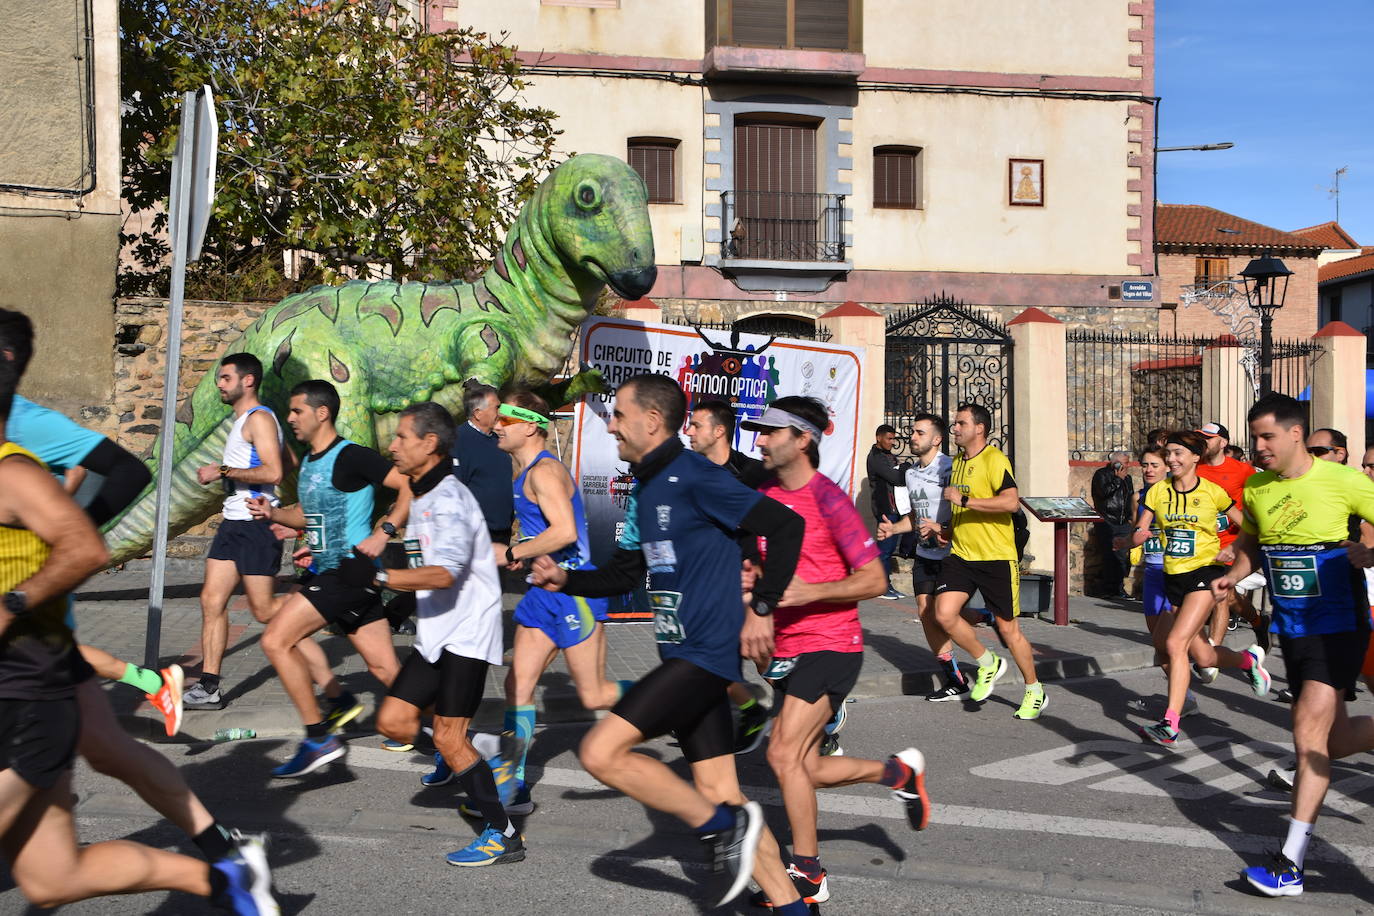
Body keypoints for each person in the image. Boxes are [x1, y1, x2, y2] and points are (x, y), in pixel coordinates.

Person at [0, 355, 277, 914]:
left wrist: (21, 594)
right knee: (54, 878)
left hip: (30, 674)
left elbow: (102, 514)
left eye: (228, 377)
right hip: (35, 671)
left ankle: (221, 846)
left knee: (115, 749)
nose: (222, 384)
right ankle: (226, 876)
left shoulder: (16, 456)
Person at [528, 373, 814, 912]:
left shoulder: (697, 476)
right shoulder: (647, 488)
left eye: (617, 414)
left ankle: (724, 827)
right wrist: (567, 581)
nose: (610, 424)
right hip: (679, 652)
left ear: (651, 421)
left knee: (600, 751)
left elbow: (785, 526)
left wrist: (763, 608)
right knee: (721, 791)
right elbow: (624, 574)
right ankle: (793, 904)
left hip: (704, 657)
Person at [742, 396, 930, 908]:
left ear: (802, 439)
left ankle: (808, 873)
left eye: (770, 432)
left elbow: (874, 579)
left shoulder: (829, 500)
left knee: (780, 754)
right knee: (800, 767)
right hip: (784, 647)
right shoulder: (761, 493)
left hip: (832, 644)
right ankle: (897, 774)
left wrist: (809, 593)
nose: (759, 439)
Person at [1208, 395, 1374, 896]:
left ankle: (1289, 865)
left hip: (1338, 625)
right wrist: (1233, 575)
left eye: (1267, 437)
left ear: (1296, 434)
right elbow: (1253, 544)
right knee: (1337, 742)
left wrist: (1369, 550)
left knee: (1307, 740)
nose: (1258, 448)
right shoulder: (1258, 488)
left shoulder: (1344, 480)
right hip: (1293, 629)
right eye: (1254, 438)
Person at [424, 391, 622, 806]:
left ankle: (674, 696)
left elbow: (566, 531)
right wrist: (528, 550)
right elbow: (545, 533)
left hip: (573, 595)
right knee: (518, 685)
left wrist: (512, 551)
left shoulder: (544, 472)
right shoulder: (523, 470)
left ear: (529, 426)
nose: (496, 425)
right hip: (541, 592)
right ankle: (512, 786)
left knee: (595, 695)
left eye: (505, 421)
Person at [371, 402, 522, 866]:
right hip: (437, 631)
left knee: (449, 738)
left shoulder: (452, 499)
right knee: (394, 722)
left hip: (468, 633)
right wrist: (397, 599)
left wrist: (381, 580)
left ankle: (503, 834)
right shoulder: (420, 492)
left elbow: (444, 574)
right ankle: (483, 754)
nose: (392, 445)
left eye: (401, 437)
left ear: (429, 443)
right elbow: (423, 563)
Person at [250, 380, 408, 778]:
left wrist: (383, 532)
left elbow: (408, 485)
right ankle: (448, 733)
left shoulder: (351, 455)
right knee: (386, 669)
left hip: (346, 572)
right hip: (339, 572)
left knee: (276, 638)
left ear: (322, 413)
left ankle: (318, 736)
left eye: (296, 411)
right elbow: (308, 514)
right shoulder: (310, 462)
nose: (289, 418)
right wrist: (273, 515)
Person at [1123, 431, 1269, 746]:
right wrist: (1132, 539)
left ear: (1194, 458)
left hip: (1205, 573)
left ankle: (1170, 724)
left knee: (1176, 644)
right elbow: (1141, 528)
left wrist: (1233, 550)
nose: (1172, 460)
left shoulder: (1213, 492)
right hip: (1172, 576)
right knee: (1198, 655)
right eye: (1169, 454)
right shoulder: (1157, 493)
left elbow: (1248, 526)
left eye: (1178, 454)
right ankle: (1248, 661)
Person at [184, 354, 298, 712]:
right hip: (233, 522)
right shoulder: (247, 422)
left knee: (263, 611)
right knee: (210, 600)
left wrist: (222, 470)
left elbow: (275, 472)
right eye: (220, 378)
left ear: (248, 381)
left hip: (254, 525)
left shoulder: (259, 418)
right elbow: (289, 461)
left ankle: (323, 605)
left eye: (226, 378)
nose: (220, 384)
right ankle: (209, 686)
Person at [931, 403, 1047, 719]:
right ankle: (987, 662)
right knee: (943, 613)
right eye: (954, 423)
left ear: (979, 428)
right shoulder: (957, 461)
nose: (954, 428)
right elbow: (959, 508)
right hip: (962, 555)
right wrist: (948, 530)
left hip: (996, 557)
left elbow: (1011, 502)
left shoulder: (995, 459)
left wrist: (964, 500)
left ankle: (1034, 689)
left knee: (1010, 631)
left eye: (960, 423)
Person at [687, 398, 771, 752]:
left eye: (696, 425)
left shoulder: (753, 474)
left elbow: (779, 529)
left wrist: (762, 577)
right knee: (703, 658)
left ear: (719, 431)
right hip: (707, 580)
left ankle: (810, 704)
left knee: (762, 655)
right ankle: (747, 712)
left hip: (748, 578)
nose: (688, 431)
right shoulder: (688, 472)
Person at [876, 414, 966, 701]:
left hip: (953, 554)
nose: (912, 437)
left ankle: (988, 620)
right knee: (927, 614)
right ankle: (956, 680)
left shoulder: (951, 469)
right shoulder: (911, 473)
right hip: (924, 554)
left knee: (946, 614)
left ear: (937, 439)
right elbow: (914, 519)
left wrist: (943, 529)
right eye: (913, 432)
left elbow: (967, 514)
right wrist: (894, 528)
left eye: (919, 433)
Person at [1194, 421, 1261, 651]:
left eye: (1208, 438)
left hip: (1231, 544)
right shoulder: (1195, 467)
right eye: (1200, 438)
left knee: (1220, 594)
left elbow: (1256, 501)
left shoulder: (1242, 470)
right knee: (1229, 596)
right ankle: (1259, 621)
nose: (1203, 442)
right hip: (1203, 543)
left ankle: (1213, 654)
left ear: (1223, 443)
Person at [453, 383, 514, 545]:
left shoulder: (499, 441)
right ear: (478, 413)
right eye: (497, 408)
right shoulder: (459, 441)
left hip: (502, 532)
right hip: (476, 534)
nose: (500, 413)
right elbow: (456, 488)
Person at [867, 424, 909, 600]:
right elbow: (896, 478)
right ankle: (881, 586)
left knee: (890, 548)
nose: (892, 442)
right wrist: (907, 467)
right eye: (889, 439)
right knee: (885, 549)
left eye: (893, 439)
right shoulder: (876, 457)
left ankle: (886, 583)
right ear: (879, 438)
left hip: (895, 507)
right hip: (885, 508)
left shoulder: (887, 455)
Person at [1090, 451, 1134, 599]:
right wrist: (1117, 479)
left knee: (1123, 558)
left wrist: (1130, 517)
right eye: (1125, 462)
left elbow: (1130, 498)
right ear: (1115, 463)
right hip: (1107, 521)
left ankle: (1119, 589)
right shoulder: (1101, 475)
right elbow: (1103, 493)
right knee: (1109, 557)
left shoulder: (1127, 478)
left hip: (1123, 522)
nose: (1128, 465)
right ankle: (1108, 590)